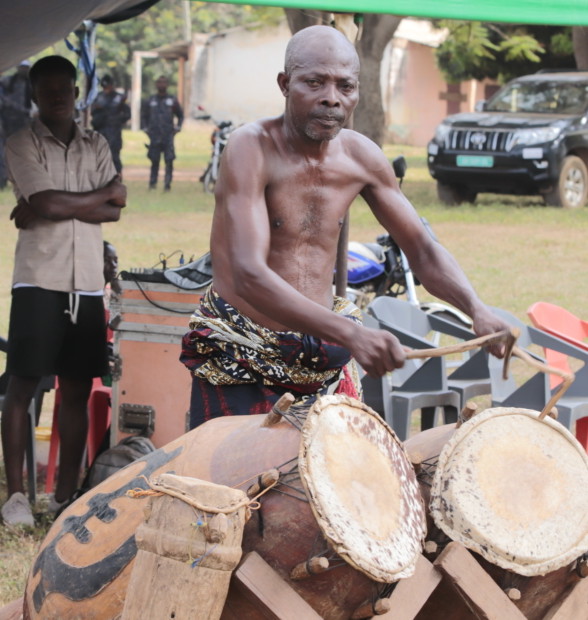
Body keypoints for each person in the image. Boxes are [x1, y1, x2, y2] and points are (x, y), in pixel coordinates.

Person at [181, 26, 509, 428]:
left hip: (321, 360)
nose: (331, 99)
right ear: (285, 84)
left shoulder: (361, 156)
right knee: (234, 488)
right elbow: (249, 275)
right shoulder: (251, 148)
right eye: (314, 82)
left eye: (345, 86)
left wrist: (477, 309)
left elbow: (421, 249)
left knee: (334, 484)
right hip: (241, 358)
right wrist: (351, 334)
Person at [0, 55, 127, 527]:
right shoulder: (22, 142)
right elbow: (62, 201)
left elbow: (114, 213)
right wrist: (90, 198)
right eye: (46, 88)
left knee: (75, 389)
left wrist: (51, 207)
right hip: (39, 279)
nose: (56, 95)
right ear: (34, 94)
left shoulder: (96, 143)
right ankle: (16, 498)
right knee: (24, 386)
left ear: (77, 92)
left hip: (88, 285)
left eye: (64, 87)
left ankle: (64, 496)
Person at [141, 76, 183, 191]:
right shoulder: (150, 101)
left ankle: (167, 184)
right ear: (156, 84)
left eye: (164, 82)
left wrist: (178, 128)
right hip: (154, 136)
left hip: (168, 136)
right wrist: (145, 129)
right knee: (154, 160)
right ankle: (152, 184)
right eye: (159, 82)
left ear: (167, 84)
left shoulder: (172, 100)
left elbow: (180, 115)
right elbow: (143, 116)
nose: (162, 84)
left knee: (169, 160)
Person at [91, 75, 131, 175]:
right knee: (99, 155)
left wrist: (118, 121)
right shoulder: (97, 97)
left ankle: (117, 177)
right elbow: (92, 112)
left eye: (110, 85)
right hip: (100, 130)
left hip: (114, 131)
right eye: (106, 86)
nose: (108, 88)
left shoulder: (120, 98)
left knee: (114, 156)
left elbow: (127, 113)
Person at [0, 61, 33, 138]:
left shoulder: (31, 83)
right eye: (22, 67)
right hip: (9, 118)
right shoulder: (8, 80)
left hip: (25, 117)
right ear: (17, 67)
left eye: (26, 67)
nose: (24, 69)